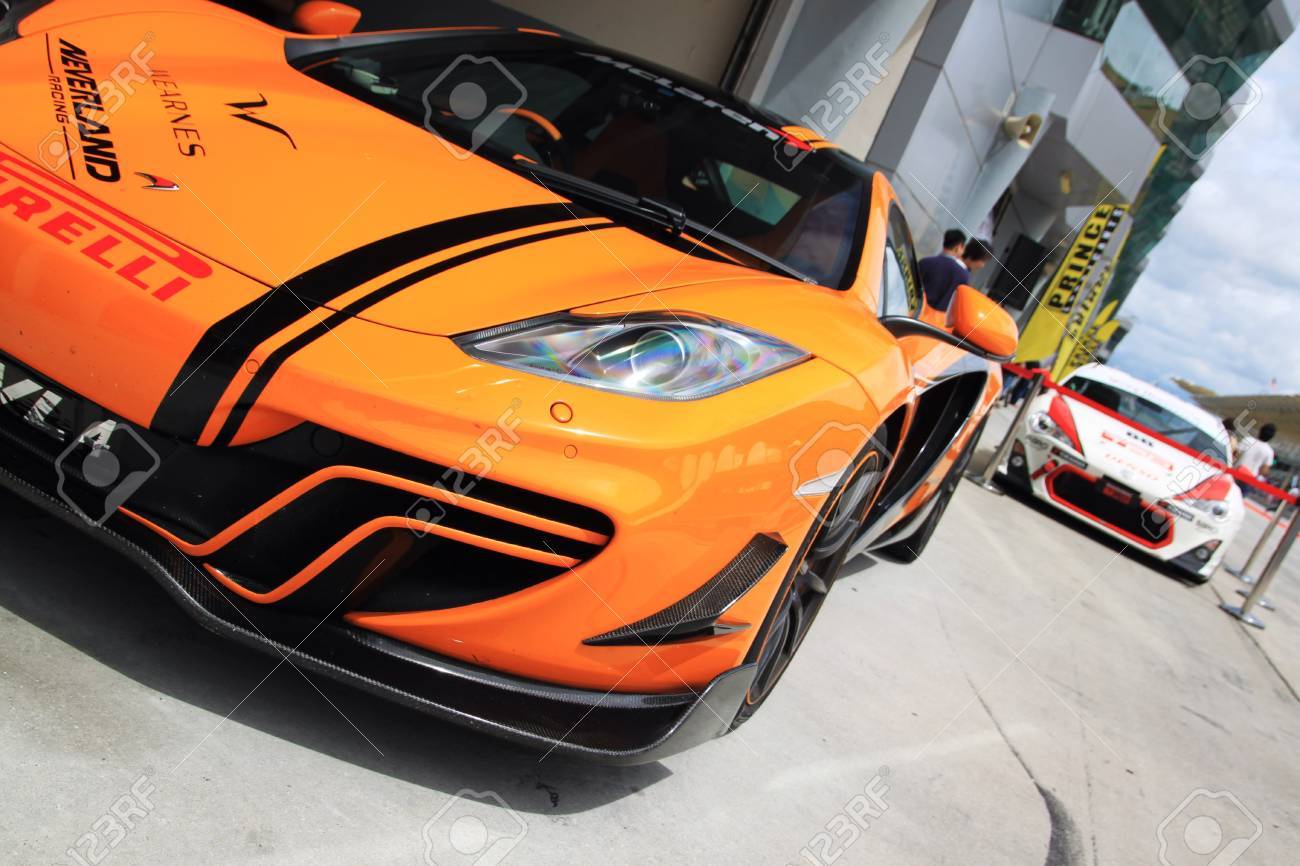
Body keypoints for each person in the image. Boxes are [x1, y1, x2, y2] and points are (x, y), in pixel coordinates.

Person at [918, 229, 969, 312]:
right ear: (958, 247)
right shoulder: (962, 275)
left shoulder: (925, 262)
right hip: (936, 320)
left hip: (914, 311)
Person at [1235, 422, 1276, 497]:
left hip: (1235, 472)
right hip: (1248, 480)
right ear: (1271, 437)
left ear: (1260, 430)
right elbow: (1264, 471)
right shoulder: (1269, 451)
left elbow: (1235, 453)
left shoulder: (1247, 440)